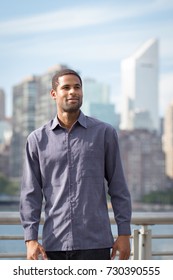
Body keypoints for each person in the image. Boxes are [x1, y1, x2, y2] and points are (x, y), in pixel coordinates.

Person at [20, 68, 132, 260]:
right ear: (54, 94)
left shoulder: (104, 133)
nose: (73, 92)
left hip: (96, 244)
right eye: (66, 87)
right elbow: (31, 194)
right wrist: (30, 239)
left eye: (77, 87)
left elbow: (118, 186)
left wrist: (124, 233)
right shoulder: (37, 140)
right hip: (54, 245)